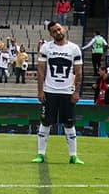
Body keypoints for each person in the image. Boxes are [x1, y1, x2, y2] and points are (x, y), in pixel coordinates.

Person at [33, 20, 84, 165]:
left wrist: (76, 91)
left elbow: (78, 72)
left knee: (69, 124)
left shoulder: (74, 49)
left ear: (64, 29)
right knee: (45, 122)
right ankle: (40, 154)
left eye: (59, 29)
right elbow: (41, 69)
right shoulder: (46, 48)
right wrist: (40, 90)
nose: (58, 32)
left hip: (67, 92)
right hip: (49, 91)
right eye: (54, 31)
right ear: (51, 34)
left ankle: (73, 156)